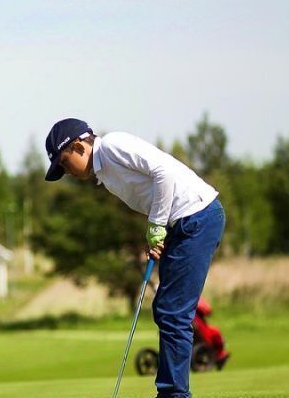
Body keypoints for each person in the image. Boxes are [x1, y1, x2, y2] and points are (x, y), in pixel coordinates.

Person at [44, 118, 225, 398]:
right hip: (183, 224)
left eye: (64, 164)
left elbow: (163, 172)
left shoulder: (113, 145)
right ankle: (172, 392)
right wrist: (155, 232)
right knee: (167, 309)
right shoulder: (105, 173)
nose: (66, 172)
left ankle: (174, 394)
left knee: (173, 312)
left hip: (196, 218)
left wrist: (156, 224)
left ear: (79, 147)